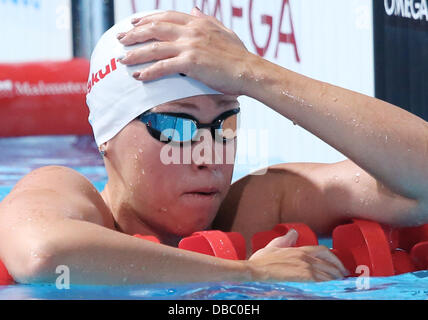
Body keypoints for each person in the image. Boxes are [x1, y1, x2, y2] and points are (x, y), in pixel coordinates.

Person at [0, 8, 426, 285]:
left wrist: (256, 74)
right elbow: (42, 253)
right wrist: (245, 272)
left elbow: (419, 186)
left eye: (225, 123)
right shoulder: (67, 194)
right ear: (105, 135)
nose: (209, 154)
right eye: (176, 127)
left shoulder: (258, 205)